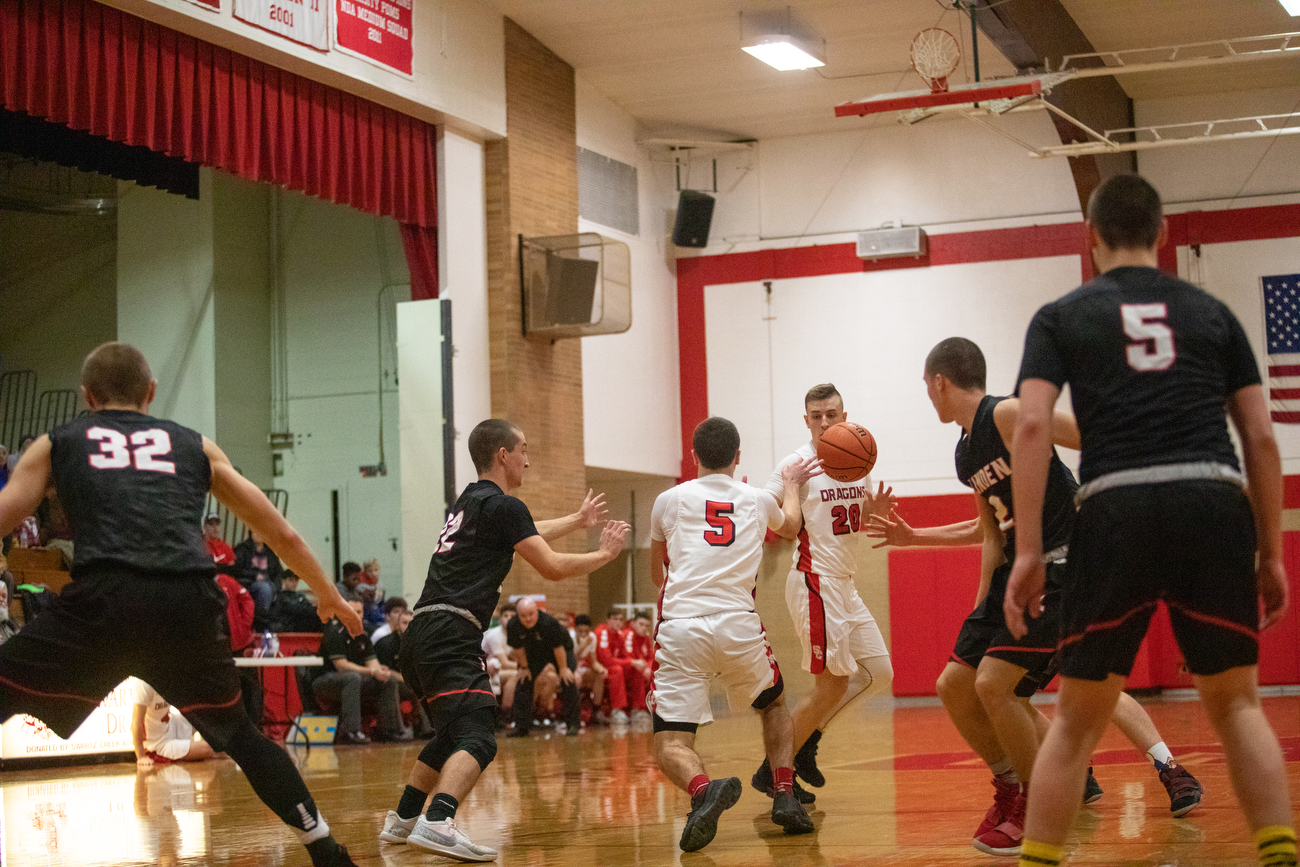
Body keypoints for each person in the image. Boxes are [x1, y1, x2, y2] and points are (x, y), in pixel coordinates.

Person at [1005, 174, 1294, 867]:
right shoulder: (1212, 311)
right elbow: (1259, 435)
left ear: (1091, 237)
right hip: (1211, 497)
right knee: (1238, 706)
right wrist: (1271, 551)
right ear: (1163, 235)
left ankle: (1040, 858)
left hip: (1117, 504)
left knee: (1075, 720)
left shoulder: (1060, 314)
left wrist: (1030, 550)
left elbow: (1034, 423)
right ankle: (1281, 855)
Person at [0, 342, 363, 867]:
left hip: (104, 600)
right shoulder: (195, 445)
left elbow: (8, 514)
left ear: (87, 395)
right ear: (151, 392)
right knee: (240, 734)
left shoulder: (57, 441)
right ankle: (326, 850)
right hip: (186, 604)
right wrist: (327, 593)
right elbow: (277, 530)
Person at [868, 336, 1203, 856]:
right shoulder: (964, 451)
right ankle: (1009, 783)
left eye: (926, 388)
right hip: (1015, 576)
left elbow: (1087, 431)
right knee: (955, 684)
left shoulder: (1005, 413)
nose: (928, 398)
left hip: (1068, 567)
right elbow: (992, 533)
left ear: (939, 382)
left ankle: (1037, 804)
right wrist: (925, 548)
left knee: (1003, 687)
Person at [377, 418, 629, 861]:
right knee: (480, 737)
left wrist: (576, 520)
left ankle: (403, 819)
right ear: (503, 455)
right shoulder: (505, 506)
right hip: (451, 632)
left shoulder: (470, 503)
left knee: (453, 731)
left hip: (421, 633)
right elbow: (548, 565)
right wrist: (603, 555)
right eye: (524, 450)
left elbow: (522, 534)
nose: (528, 460)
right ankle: (438, 821)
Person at [649, 416, 818, 851]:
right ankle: (784, 792)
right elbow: (793, 528)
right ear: (737, 457)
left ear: (693, 456)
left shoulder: (667, 501)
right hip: (738, 624)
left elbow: (656, 574)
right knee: (775, 705)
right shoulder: (758, 500)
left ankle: (703, 789)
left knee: (671, 739)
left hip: (682, 627)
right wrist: (792, 485)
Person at [755, 383, 895, 803]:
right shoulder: (795, 464)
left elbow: (847, 518)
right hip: (814, 580)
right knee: (832, 686)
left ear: (844, 416)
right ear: (806, 420)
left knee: (879, 672)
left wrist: (874, 512)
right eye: (816, 416)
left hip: (845, 583)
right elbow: (769, 512)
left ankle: (804, 743)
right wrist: (791, 489)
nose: (825, 422)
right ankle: (775, 769)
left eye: (832, 414)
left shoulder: (857, 456)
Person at [313, 592, 405, 744]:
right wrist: (371, 671)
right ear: (343, 611)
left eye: (360, 612)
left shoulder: (363, 634)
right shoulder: (334, 631)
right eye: (352, 611)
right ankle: (350, 732)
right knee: (351, 677)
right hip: (326, 680)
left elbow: (373, 662)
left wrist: (380, 671)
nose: (357, 615)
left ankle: (390, 730)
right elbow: (341, 665)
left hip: (354, 681)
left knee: (387, 680)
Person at [506, 597, 581, 737]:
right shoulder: (513, 625)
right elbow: (518, 648)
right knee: (524, 681)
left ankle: (572, 725)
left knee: (568, 680)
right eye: (524, 616)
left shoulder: (548, 623)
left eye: (531, 614)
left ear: (536, 611)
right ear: (518, 615)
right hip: (534, 652)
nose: (528, 619)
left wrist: (563, 669)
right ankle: (521, 727)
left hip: (560, 650)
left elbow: (558, 648)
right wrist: (524, 667)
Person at [130, 677, 215, 766]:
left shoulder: (170, 676)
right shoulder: (143, 683)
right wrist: (141, 757)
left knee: (203, 717)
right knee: (206, 749)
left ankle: (223, 751)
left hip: (170, 725)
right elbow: (136, 721)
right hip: (158, 744)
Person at [593, 607, 641, 725]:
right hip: (598, 667)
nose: (619, 622)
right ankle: (617, 709)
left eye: (621, 619)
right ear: (608, 620)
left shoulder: (619, 635)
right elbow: (607, 660)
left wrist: (634, 663)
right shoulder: (602, 632)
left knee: (636, 670)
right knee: (617, 670)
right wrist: (632, 662)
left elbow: (624, 656)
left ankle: (638, 708)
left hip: (609, 667)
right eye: (616, 619)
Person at [482, 602, 519, 720]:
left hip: (496, 668)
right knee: (515, 675)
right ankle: (505, 714)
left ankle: (530, 715)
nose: (508, 619)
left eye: (512, 617)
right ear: (500, 619)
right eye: (505, 616)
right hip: (482, 668)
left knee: (523, 676)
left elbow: (515, 658)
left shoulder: (514, 635)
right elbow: (505, 663)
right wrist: (526, 667)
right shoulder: (495, 635)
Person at [234, 529, 283, 615]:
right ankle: (263, 619)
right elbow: (237, 570)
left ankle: (271, 621)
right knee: (265, 588)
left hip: (269, 584)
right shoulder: (243, 549)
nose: (260, 534)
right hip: (248, 584)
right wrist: (255, 575)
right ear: (251, 532)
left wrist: (276, 587)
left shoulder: (270, 552)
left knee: (282, 595)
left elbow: (278, 572)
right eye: (257, 531)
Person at [621, 611, 654, 726]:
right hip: (626, 668)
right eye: (641, 624)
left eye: (647, 625)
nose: (644, 628)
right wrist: (642, 666)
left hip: (639, 668)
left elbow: (650, 657)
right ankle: (638, 709)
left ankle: (655, 707)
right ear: (634, 623)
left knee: (655, 672)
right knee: (638, 671)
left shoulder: (645, 637)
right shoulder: (628, 635)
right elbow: (627, 657)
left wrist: (648, 667)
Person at [572, 613, 605, 715]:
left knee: (599, 676)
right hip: (570, 668)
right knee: (576, 679)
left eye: (586, 631)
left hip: (581, 668)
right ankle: (574, 711)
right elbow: (571, 660)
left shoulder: (592, 637)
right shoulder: (570, 637)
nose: (583, 634)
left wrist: (601, 669)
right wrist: (584, 645)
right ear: (575, 629)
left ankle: (596, 710)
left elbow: (593, 661)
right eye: (580, 631)